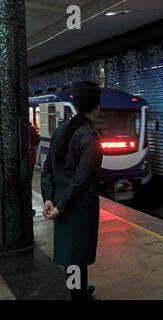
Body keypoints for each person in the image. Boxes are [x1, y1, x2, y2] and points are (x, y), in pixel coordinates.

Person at [41, 81, 103, 300]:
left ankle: (78, 290)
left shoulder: (60, 131)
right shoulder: (89, 136)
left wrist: (49, 199)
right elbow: (81, 180)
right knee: (77, 254)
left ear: (75, 105)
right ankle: (78, 296)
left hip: (61, 202)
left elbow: (47, 169)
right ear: (98, 106)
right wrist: (61, 207)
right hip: (78, 206)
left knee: (71, 253)